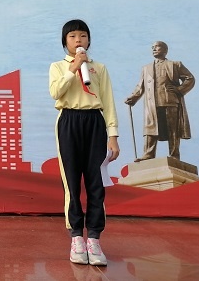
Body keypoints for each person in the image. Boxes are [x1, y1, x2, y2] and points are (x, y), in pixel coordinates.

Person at [48, 19, 120, 266]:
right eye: (72, 36)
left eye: (83, 35)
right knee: (71, 182)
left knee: (95, 182)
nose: (78, 40)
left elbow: (108, 102)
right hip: (68, 121)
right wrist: (74, 68)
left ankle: (95, 239)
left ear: (89, 40)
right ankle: (77, 237)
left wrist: (113, 136)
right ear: (65, 41)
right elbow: (56, 92)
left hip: (95, 122)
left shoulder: (99, 68)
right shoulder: (58, 66)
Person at [124, 41, 194, 161]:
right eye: (152, 47)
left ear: (165, 50)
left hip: (170, 101)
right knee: (150, 128)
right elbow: (140, 86)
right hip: (152, 103)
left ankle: (174, 155)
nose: (154, 49)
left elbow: (190, 78)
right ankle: (148, 154)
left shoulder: (175, 64)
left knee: (173, 129)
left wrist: (179, 89)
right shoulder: (146, 68)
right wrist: (133, 98)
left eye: (157, 47)